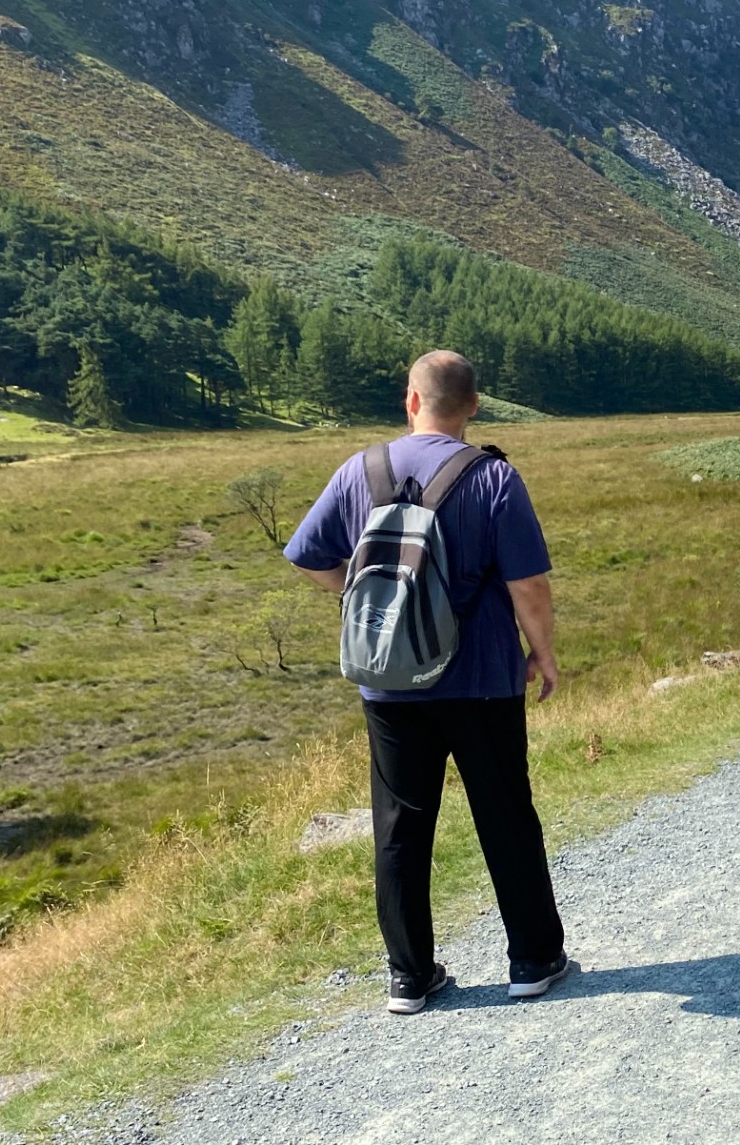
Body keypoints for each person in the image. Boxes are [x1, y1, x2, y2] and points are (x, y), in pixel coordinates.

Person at [285, 351, 567, 1014]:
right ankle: (532, 959)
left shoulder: (359, 470)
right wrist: (544, 654)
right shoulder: (495, 478)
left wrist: (366, 607)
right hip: (483, 682)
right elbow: (528, 585)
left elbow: (307, 554)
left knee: (401, 825)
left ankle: (409, 976)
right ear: (474, 404)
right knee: (505, 815)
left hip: (389, 684)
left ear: (411, 400)